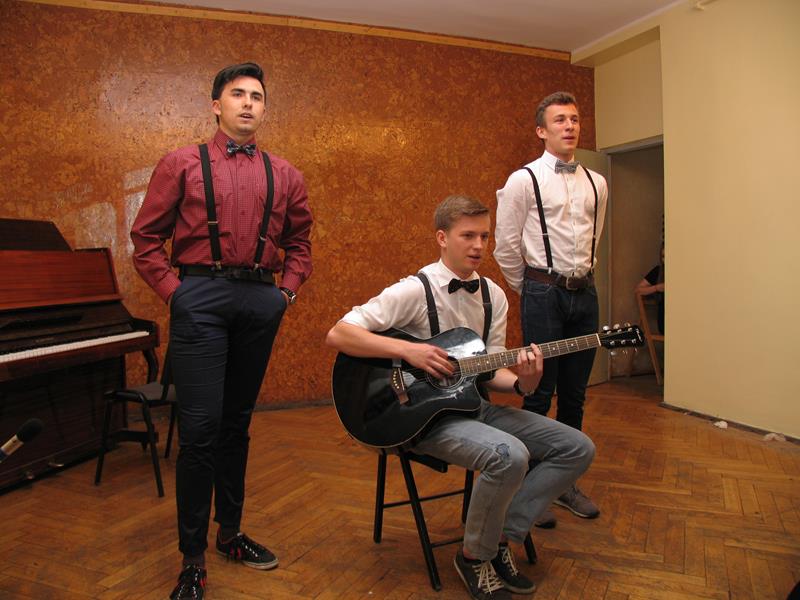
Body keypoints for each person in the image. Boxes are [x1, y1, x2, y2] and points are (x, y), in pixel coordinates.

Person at [326, 195, 594, 600]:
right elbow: (339, 333)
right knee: (510, 455)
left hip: (474, 406)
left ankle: (499, 537)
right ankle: (473, 558)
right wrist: (409, 351)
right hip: (419, 418)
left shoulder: (494, 296)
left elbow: (491, 369)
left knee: (577, 447)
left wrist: (524, 383)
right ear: (442, 238)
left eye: (484, 236)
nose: (478, 245)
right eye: (468, 235)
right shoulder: (413, 290)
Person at [131, 62, 312, 600]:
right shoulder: (181, 164)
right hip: (200, 298)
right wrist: (176, 294)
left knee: (237, 424)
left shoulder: (286, 174)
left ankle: (229, 533)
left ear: (264, 108)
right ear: (217, 105)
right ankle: (192, 559)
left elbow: (300, 245)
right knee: (200, 430)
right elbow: (145, 240)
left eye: (257, 96)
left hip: (259, 300)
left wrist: (285, 293)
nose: (248, 103)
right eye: (238, 94)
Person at [494, 91, 608, 528]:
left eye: (574, 119)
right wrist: (532, 289)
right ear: (541, 130)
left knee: (576, 393)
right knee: (540, 391)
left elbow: (594, 236)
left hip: (586, 293)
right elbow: (506, 246)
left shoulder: (598, 183)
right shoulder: (522, 180)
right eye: (560, 120)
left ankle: (563, 483)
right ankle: (530, 486)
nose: (569, 126)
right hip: (543, 292)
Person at [635, 243, 665, 334]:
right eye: (663, 257)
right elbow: (638, 290)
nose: (665, 260)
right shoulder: (659, 271)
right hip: (665, 321)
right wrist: (657, 288)